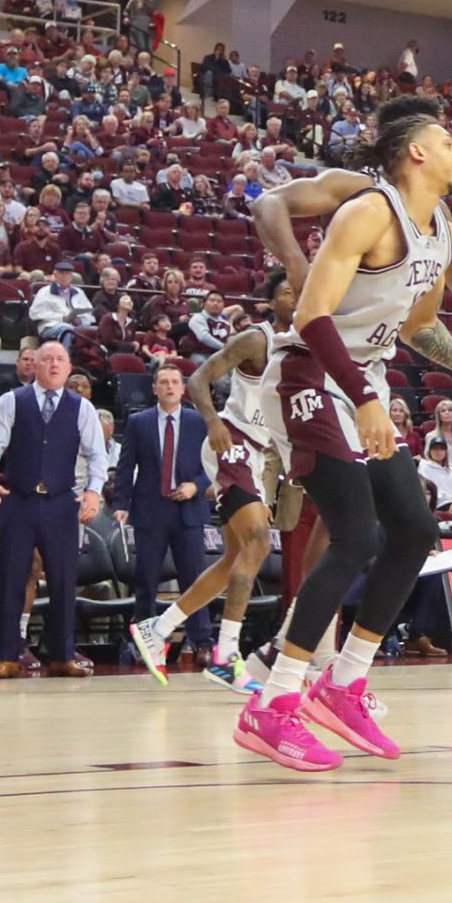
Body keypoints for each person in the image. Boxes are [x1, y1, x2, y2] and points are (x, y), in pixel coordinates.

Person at [235, 101, 452, 773]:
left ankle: (344, 682)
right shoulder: (369, 209)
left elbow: (439, 301)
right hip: (309, 375)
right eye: (449, 139)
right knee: (358, 536)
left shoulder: (438, 226)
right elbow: (312, 312)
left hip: (359, 378)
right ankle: (272, 702)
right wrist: (370, 398)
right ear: (417, 153)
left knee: (414, 533)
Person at [131, 272, 300, 693]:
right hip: (232, 438)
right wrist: (210, 422)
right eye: (285, 291)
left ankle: (159, 628)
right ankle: (226, 654)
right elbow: (198, 379)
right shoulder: (255, 340)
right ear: (269, 301)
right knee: (258, 544)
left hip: (259, 452)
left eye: (301, 290)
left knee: (234, 559)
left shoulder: (304, 345)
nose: (295, 297)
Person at [0, 338, 109, 677]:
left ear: (68, 368)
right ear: (33, 365)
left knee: (65, 579)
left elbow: (98, 455)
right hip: (19, 500)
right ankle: (7, 655)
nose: (53, 364)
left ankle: (62, 654)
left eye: (60, 360)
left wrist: (94, 492)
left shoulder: (82, 408)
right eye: (46, 358)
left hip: (62, 502)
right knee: (12, 578)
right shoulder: (11, 401)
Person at [111, 360, 214, 666]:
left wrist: (196, 486)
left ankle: (201, 641)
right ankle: (145, 642)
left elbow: (213, 465)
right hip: (150, 511)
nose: (169, 387)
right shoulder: (139, 422)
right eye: (163, 382)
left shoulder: (199, 422)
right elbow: (126, 466)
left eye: (174, 382)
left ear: (183, 389)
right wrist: (120, 504)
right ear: (154, 388)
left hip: (188, 511)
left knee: (195, 579)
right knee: (146, 580)